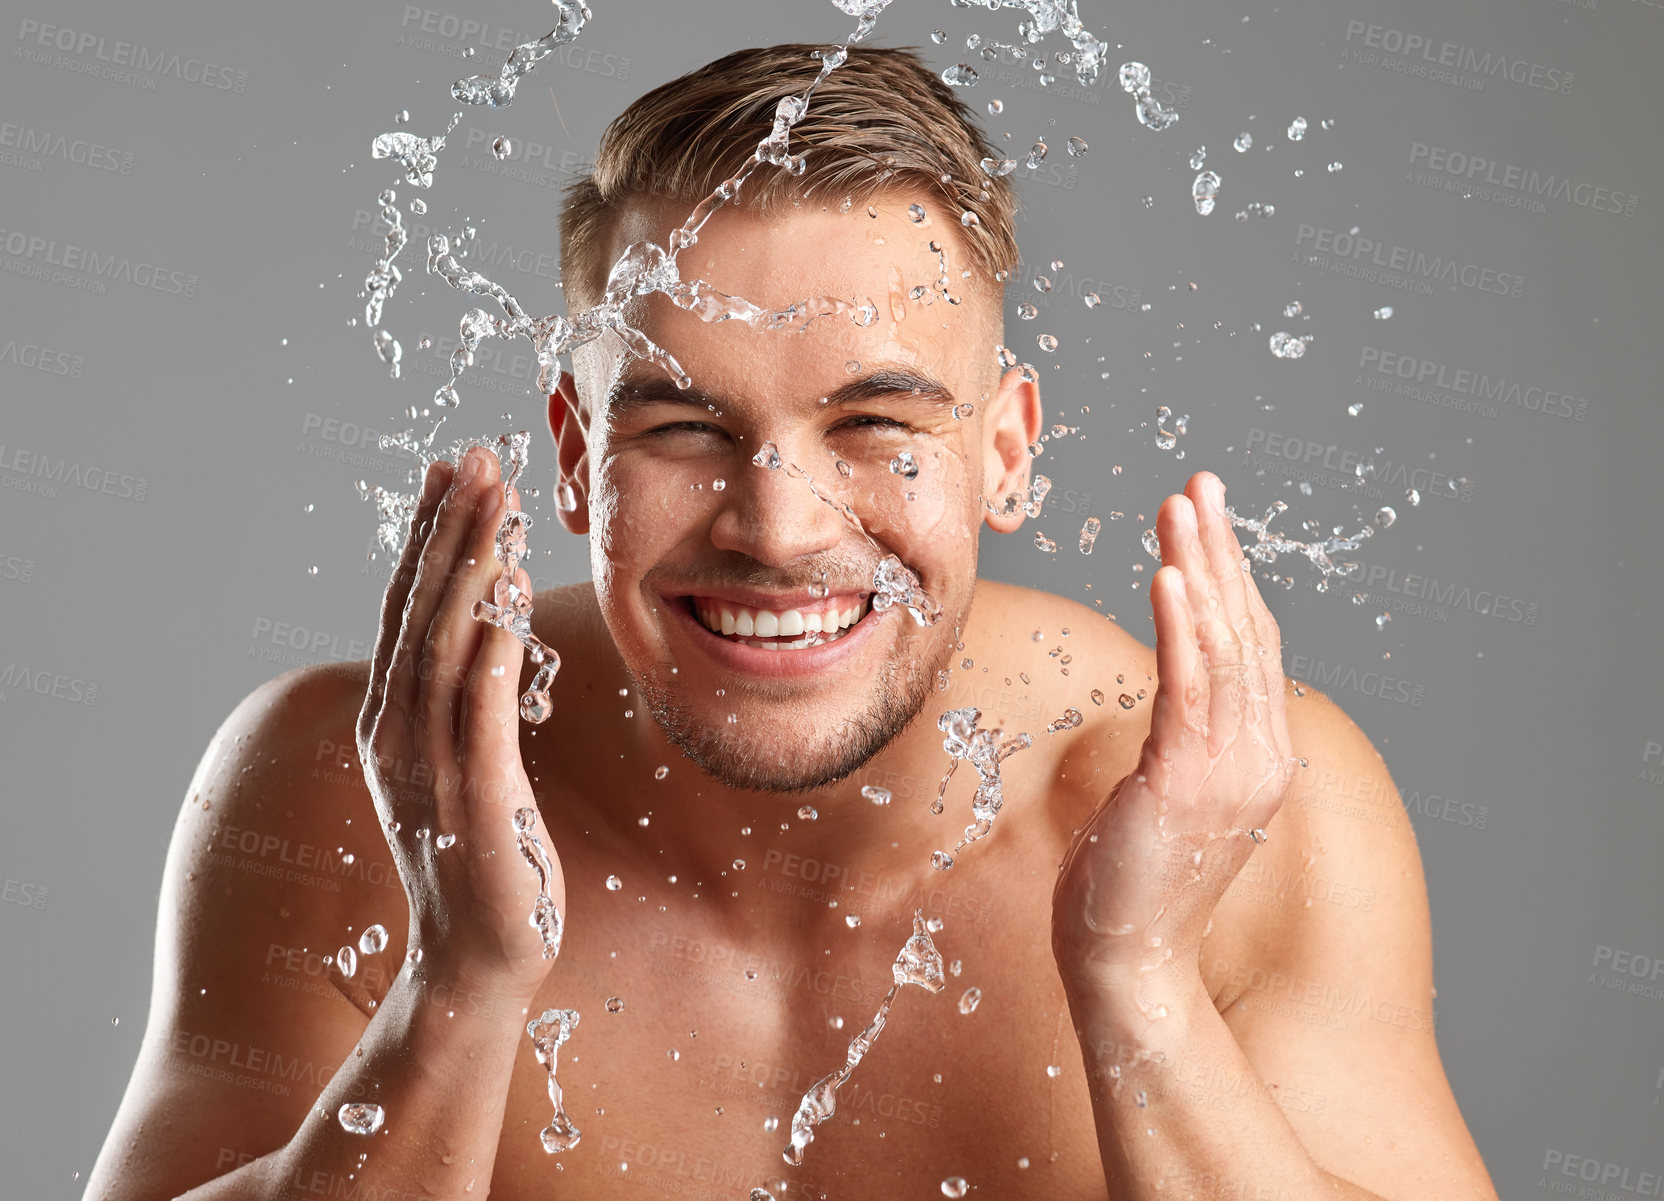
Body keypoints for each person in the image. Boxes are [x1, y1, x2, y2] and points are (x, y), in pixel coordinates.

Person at [88, 44, 1499, 1201]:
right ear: (576, 449)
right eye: (686, 426)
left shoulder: (1250, 811)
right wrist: (456, 987)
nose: (778, 526)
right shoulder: (349, 791)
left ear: (1004, 449)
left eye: (875, 421)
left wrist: (1139, 989)